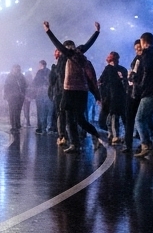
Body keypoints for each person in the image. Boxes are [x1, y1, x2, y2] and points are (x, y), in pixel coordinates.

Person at [43, 21, 106, 154]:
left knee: (73, 117)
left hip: (71, 91)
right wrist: (97, 32)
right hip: (80, 91)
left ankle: (80, 141)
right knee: (75, 118)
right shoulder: (80, 54)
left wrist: (48, 31)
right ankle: (78, 142)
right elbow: (89, 44)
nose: (68, 48)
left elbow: (57, 44)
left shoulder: (70, 54)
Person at [99, 51, 129, 145]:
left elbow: (101, 82)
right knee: (114, 117)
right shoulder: (120, 69)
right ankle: (115, 135)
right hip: (117, 97)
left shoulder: (109, 69)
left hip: (113, 98)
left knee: (113, 117)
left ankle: (115, 135)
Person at [3, 64, 28, 134]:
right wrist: (7, 96)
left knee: (18, 111)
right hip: (12, 97)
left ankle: (17, 124)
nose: (17, 70)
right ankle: (13, 126)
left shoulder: (21, 76)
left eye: (18, 69)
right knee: (13, 111)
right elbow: (6, 87)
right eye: (16, 68)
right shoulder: (10, 77)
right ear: (13, 69)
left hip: (19, 97)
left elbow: (25, 85)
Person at [29, 61, 50, 134]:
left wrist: (32, 94)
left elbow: (35, 83)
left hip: (40, 94)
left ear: (41, 65)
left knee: (40, 112)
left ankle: (40, 128)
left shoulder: (39, 72)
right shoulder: (49, 72)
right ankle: (45, 127)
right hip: (47, 95)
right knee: (46, 112)